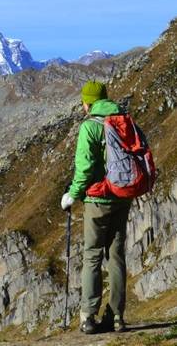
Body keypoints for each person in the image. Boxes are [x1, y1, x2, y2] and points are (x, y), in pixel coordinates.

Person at [60, 81, 131, 334]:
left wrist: (72, 195)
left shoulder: (89, 126)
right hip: (122, 196)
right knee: (116, 255)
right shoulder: (123, 120)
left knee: (92, 256)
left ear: (87, 103)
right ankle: (116, 317)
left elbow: (85, 168)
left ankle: (88, 317)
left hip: (97, 199)